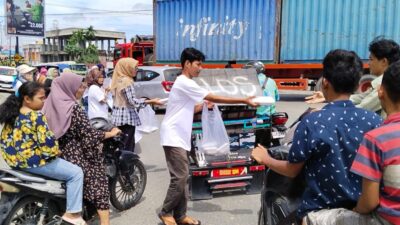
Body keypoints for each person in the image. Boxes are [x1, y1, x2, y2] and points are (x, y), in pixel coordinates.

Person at [251, 49, 383, 223]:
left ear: (325, 83)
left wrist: (265, 158)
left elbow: (292, 170)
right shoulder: (374, 120)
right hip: (364, 212)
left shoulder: (312, 122)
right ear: (357, 85)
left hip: (319, 213)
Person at [158, 48, 258, 225]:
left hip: (181, 135)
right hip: (173, 135)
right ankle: (166, 211)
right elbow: (213, 95)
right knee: (180, 177)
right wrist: (243, 100)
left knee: (184, 175)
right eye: (198, 64)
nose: (200, 68)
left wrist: (205, 105)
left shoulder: (185, 83)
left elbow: (189, 108)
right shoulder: (184, 82)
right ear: (187, 64)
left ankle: (180, 216)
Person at [303, 61, 400, 225]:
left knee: (310, 219)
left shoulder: (377, 138)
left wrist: (356, 211)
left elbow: (369, 203)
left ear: (381, 92)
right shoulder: (374, 120)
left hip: (387, 220)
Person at [0, 81, 86, 225]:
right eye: (41, 98)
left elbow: (5, 141)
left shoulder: (12, 115)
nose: (44, 101)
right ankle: (73, 214)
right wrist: (56, 151)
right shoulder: (36, 117)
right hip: (35, 163)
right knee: (76, 173)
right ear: (27, 99)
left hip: (15, 163)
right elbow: (48, 147)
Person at [42, 73, 121, 225]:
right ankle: (105, 222)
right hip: (76, 155)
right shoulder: (74, 109)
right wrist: (110, 133)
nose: (82, 89)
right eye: (79, 86)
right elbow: (89, 135)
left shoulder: (48, 103)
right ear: (69, 88)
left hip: (56, 152)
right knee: (99, 180)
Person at [305, 38, 400, 118]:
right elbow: (361, 97)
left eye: (371, 59)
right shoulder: (385, 81)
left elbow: (363, 107)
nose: (369, 63)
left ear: (384, 61)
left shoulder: (385, 84)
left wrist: (326, 112)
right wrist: (331, 96)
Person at [110, 58, 163, 152]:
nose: (137, 70)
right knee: (128, 147)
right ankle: (127, 166)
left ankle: (120, 166)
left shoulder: (117, 80)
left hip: (118, 118)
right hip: (127, 119)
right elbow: (132, 102)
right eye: (135, 67)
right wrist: (151, 101)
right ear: (127, 68)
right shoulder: (126, 81)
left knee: (121, 145)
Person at [244, 61, 280, 147]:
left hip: (253, 116)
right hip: (270, 115)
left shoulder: (247, 82)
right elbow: (277, 98)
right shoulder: (271, 81)